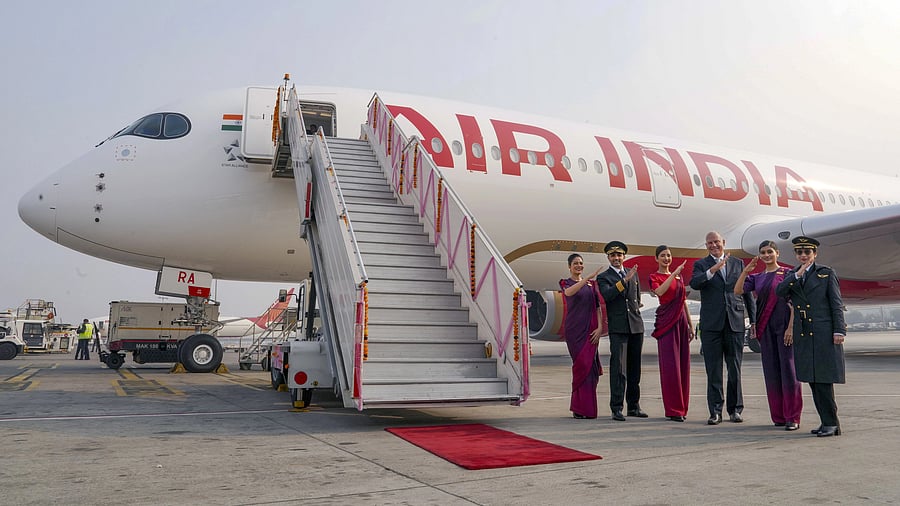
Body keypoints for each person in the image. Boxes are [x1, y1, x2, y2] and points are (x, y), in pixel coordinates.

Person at [776, 236, 847, 437]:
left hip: (824, 332)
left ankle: (832, 423)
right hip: (805, 334)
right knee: (813, 380)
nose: (803, 255)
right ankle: (826, 422)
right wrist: (796, 276)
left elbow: (836, 304)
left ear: (815, 254)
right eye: (799, 252)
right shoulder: (793, 275)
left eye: (807, 252)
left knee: (824, 380)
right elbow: (779, 291)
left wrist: (839, 330)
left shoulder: (825, 274)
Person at [735, 240, 803, 430]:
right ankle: (778, 416)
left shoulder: (787, 274)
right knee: (771, 373)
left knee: (789, 371)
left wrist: (791, 328)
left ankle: (793, 417)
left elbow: (794, 303)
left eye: (770, 252)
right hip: (766, 328)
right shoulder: (756, 277)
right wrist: (746, 271)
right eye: (763, 252)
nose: (767, 255)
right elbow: (738, 290)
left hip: (784, 328)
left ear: (777, 253)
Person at [690, 231, 756, 425]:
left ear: (723, 242)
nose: (713, 245)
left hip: (734, 322)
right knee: (714, 370)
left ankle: (735, 410)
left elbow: (747, 293)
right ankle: (715, 411)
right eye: (709, 243)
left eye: (716, 242)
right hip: (711, 324)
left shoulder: (738, 263)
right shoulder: (701, 265)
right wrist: (713, 270)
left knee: (734, 368)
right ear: (706, 246)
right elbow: (694, 283)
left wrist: (754, 320)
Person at [597, 241, 646, 421]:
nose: (616, 258)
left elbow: (637, 298)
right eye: (613, 256)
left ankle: (634, 406)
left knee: (635, 369)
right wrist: (623, 281)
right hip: (618, 327)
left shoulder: (633, 274)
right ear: (608, 258)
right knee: (619, 369)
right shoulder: (604, 277)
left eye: (619, 255)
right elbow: (608, 295)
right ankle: (616, 407)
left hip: (635, 326)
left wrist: (629, 278)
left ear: (624, 256)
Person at [649, 245, 694, 422]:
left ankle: (682, 407)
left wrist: (690, 325)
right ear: (657, 259)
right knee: (671, 367)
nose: (666, 258)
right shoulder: (655, 276)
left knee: (683, 365)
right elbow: (659, 291)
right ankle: (673, 409)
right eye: (663, 256)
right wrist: (674, 274)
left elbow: (683, 301)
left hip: (681, 321)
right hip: (667, 322)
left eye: (668, 255)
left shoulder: (679, 276)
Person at [560, 253, 604, 419]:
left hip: (591, 332)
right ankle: (579, 408)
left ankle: (587, 409)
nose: (579, 266)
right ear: (570, 267)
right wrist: (587, 279)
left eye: (581, 263)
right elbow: (569, 293)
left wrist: (600, 327)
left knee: (590, 370)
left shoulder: (592, 286)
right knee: (581, 367)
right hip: (575, 332)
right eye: (575, 264)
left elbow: (598, 307)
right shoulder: (566, 283)